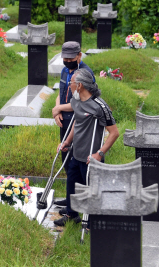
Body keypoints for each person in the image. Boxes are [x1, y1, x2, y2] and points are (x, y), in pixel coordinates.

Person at [54, 69, 120, 226]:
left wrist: (100, 153)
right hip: (76, 154)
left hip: (92, 158)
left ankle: (93, 222)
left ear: (80, 85)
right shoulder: (77, 101)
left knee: (93, 191)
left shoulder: (99, 106)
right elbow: (76, 123)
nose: (69, 85)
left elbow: (114, 133)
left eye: (71, 83)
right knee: (72, 185)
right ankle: (72, 215)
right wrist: (67, 142)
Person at [51, 41, 94, 208]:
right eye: (64, 57)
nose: (67, 60)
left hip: (79, 121)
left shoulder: (85, 74)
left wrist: (59, 107)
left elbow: (83, 102)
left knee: (78, 162)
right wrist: (58, 110)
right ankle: (71, 199)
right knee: (66, 159)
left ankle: (80, 202)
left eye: (70, 58)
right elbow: (61, 94)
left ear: (79, 56)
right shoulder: (64, 70)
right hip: (64, 120)